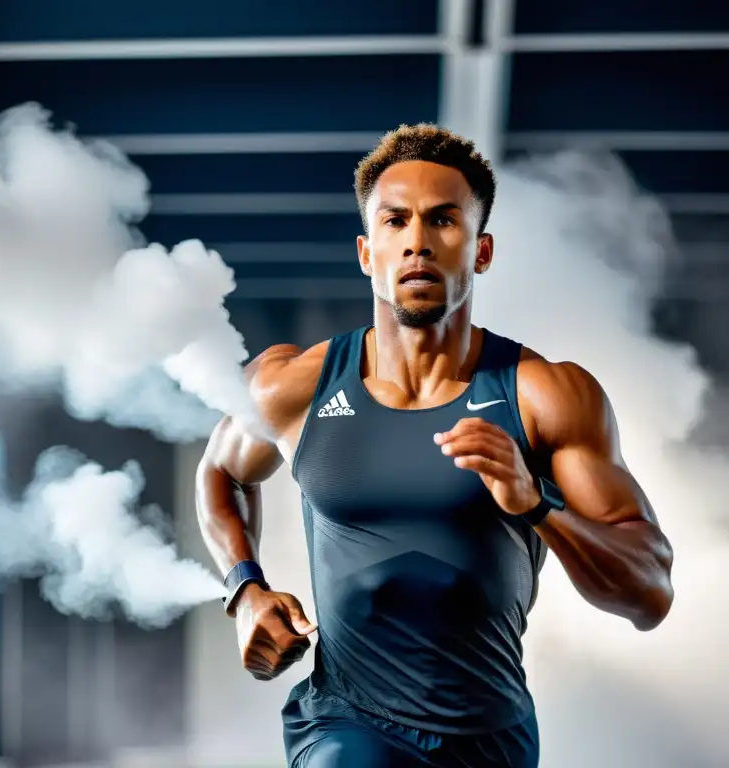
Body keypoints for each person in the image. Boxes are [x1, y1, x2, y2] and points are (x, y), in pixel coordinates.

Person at [195, 124, 674, 767]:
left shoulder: (545, 395)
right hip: (343, 723)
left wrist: (535, 503)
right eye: (396, 222)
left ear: (481, 251)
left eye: (444, 220)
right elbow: (220, 473)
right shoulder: (294, 385)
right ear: (367, 252)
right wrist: (244, 588)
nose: (418, 241)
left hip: (491, 735)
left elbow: (649, 595)